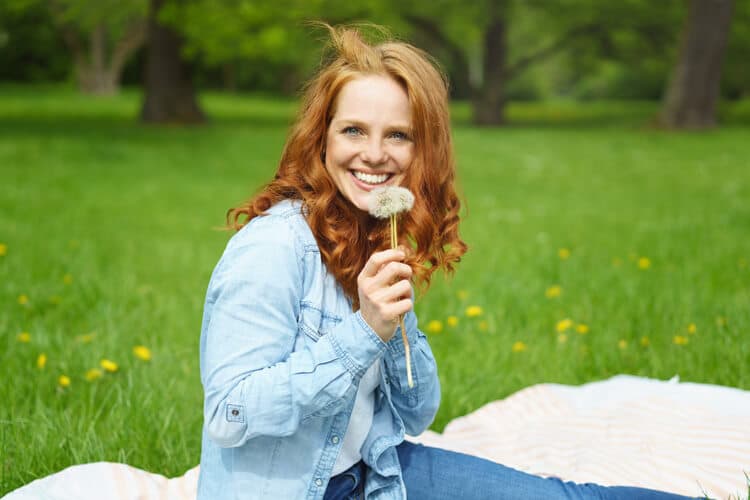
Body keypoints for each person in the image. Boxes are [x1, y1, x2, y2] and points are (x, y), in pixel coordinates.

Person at [197, 24, 701, 500]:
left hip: (376, 475)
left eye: (398, 135)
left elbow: (417, 413)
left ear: (422, 150)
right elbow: (230, 413)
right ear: (322, 137)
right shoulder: (272, 249)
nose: (374, 154)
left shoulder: (371, 236)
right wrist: (363, 332)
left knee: (565, 495)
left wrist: (395, 327)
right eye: (353, 130)